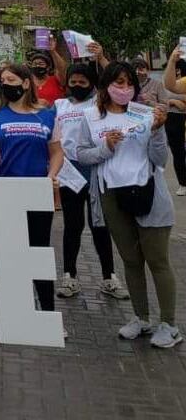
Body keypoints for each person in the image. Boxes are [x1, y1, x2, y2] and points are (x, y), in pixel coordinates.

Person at [74, 61, 180, 348]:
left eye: (129, 83)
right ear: (105, 86)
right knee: (131, 260)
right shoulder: (91, 117)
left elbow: (160, 160)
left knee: (157, 260)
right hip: (112, 196)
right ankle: (141, 317)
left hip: (148, 193)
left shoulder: (145, 114)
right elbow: (82, 154)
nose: (124, 88)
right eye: (118, 83)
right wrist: (106, 147)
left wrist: (157, 131)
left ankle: (169, 324)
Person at [0, 64, 63, 326]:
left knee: (38, 253)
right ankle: (15, 316)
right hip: (5, 192)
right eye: (2, 80)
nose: (6, 84)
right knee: (9, 253)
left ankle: (47, 314)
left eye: (11, 79)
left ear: (26, 83)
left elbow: (56, 152)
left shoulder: (47, 115)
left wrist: (51, 176)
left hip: (37, 192)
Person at [54, 62, 127, 300]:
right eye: (73, 82)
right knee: (73, 226)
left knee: (100, 226)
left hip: (97, 171)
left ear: (92, 84)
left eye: (82, 82)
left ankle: (109, 277)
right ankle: (69, 276)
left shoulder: (99, 105)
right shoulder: (59, 105)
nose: (77, 86)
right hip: (70, 174)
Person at [161, 51, 186, 196]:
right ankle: (183, 183)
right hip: (174, 120)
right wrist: (173, 101)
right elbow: (169, 87)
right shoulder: (174, 81)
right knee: (178, 153)